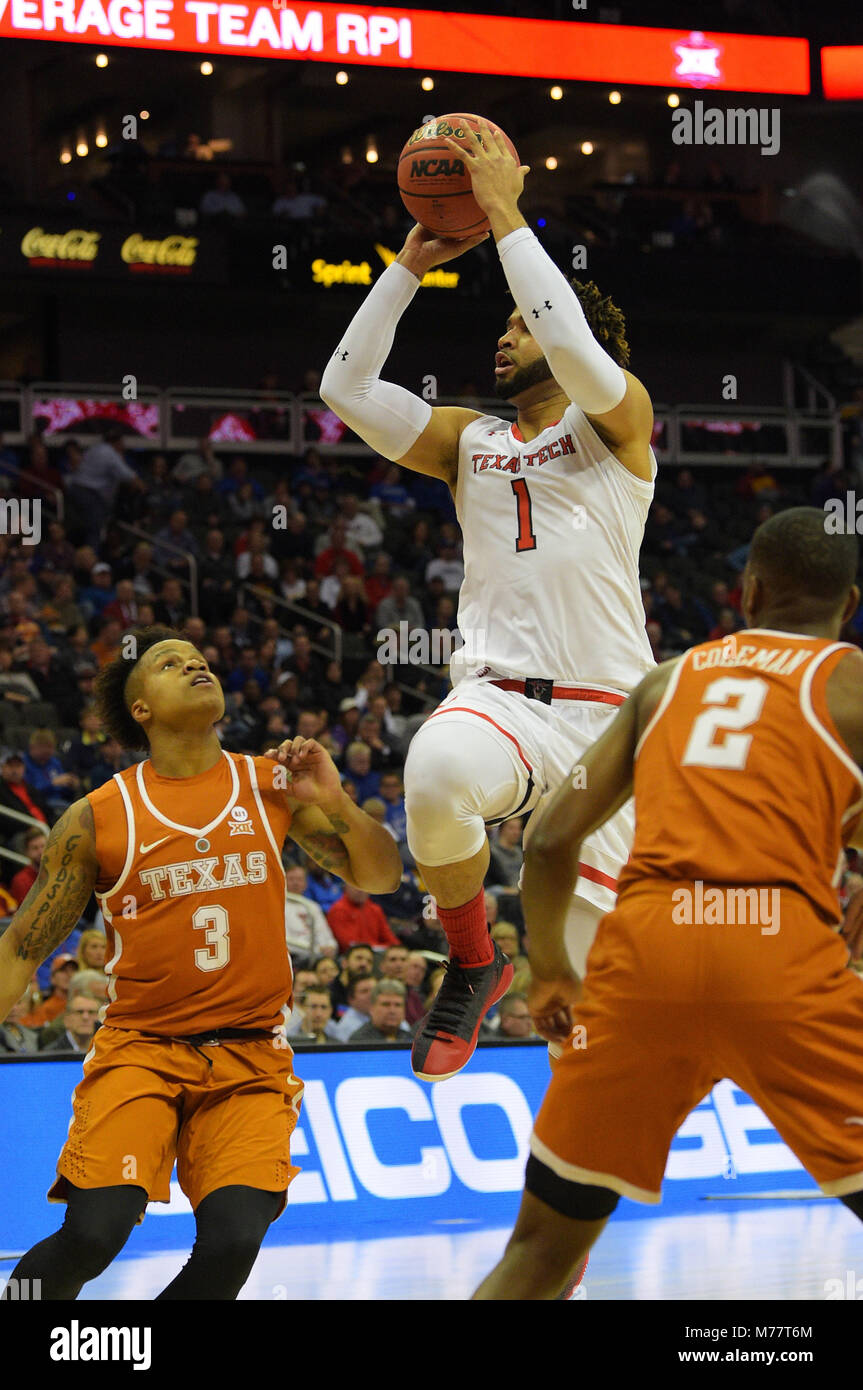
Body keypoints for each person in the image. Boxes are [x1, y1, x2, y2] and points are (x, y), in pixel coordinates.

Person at [320, 121, 656, 1083]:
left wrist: (505, 210)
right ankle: (473, 958)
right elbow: (343, 387)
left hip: (605, 720)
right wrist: (407, 265)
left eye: (515, 326)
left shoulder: (616, 425)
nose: (502, 337)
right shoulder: (468, 440)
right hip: (498, 696)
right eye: (505, 326)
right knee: (431, 774)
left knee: (589, 1011)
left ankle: (587, 1166)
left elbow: (575, 348)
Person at [474, 509, 863, 1298]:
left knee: (541, 1251)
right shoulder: (851, 683)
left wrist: (549, 972)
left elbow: (547, 841)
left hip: (646, 948)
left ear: (746, 591)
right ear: (847, 605)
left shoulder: (663, 683)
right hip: (776, 946)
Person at [0, 624, 401, 1301]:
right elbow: (23, 944)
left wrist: (335, 802)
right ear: (141, 710)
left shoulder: (272, 785)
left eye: (197, 658)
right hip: (142, 1050)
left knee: (234, 1242)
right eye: (167, 664)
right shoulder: (98, 816)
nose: (193, 665)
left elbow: (382, 875)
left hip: (251, 1058)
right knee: (94, 1234)